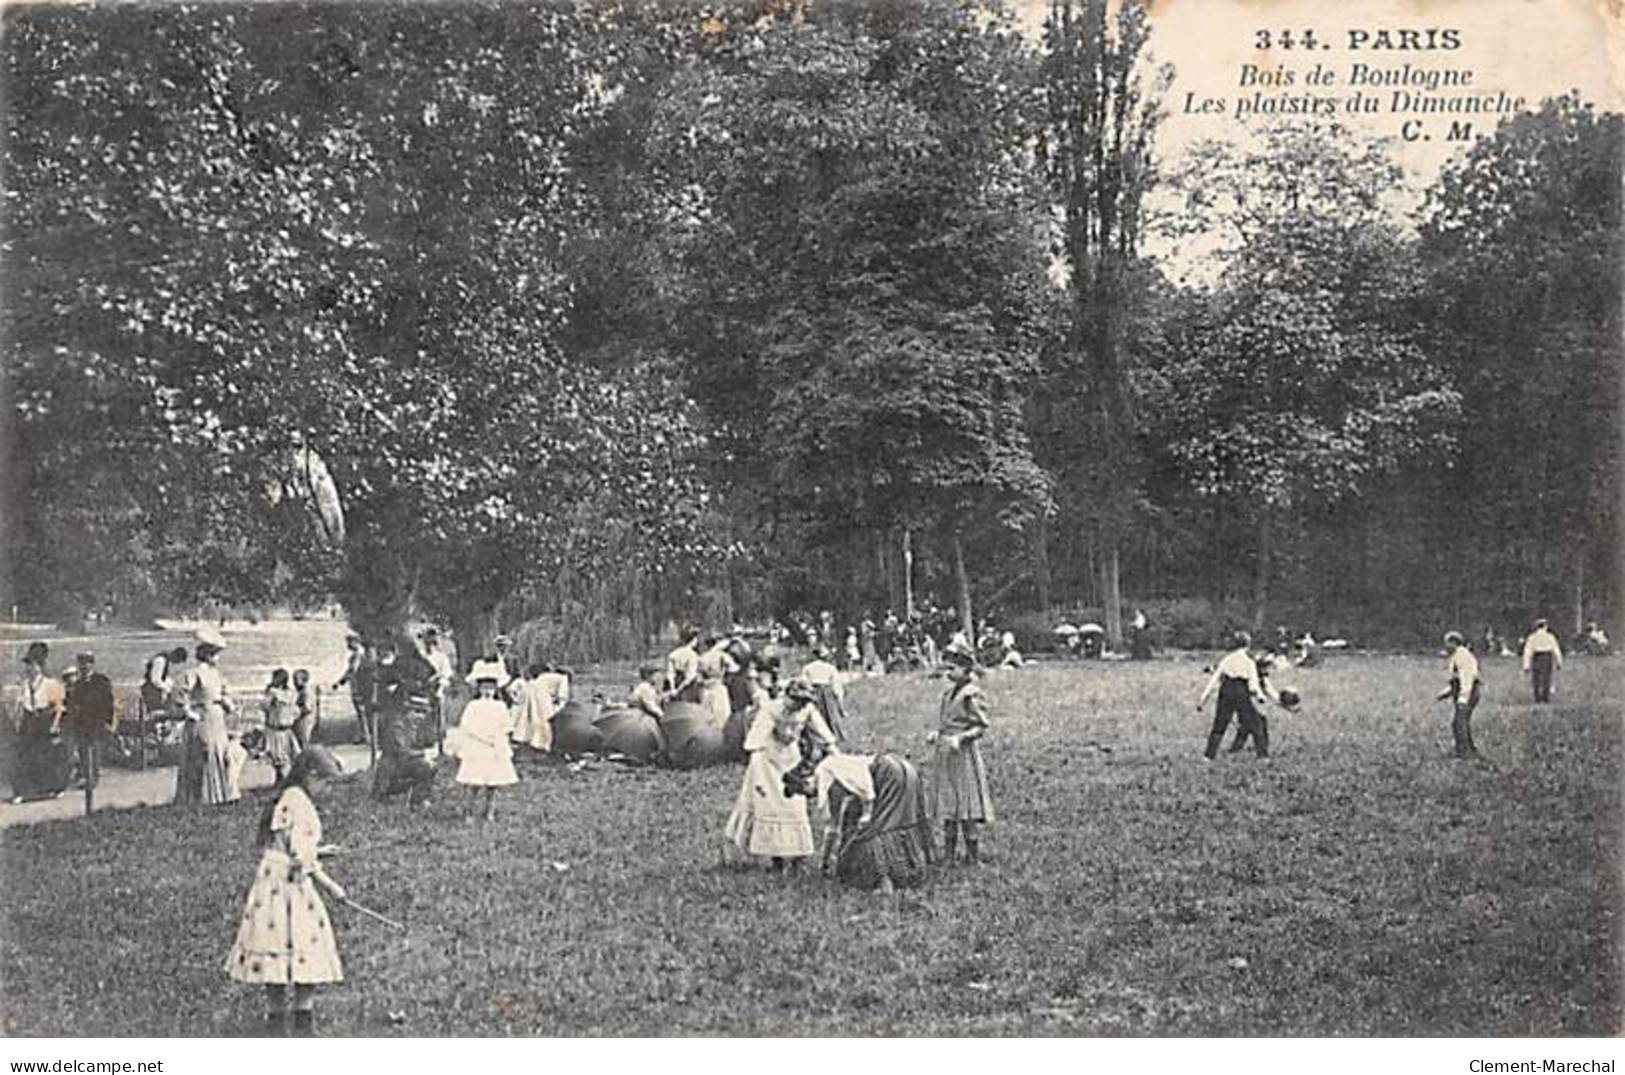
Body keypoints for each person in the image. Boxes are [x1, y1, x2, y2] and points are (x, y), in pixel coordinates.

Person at [225, 746, 347, 1036]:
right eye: (326, 782)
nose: (327, 790)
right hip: (290, 884)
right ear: (311, 775)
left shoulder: (288, 796)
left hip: (271, 880)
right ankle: (303, 1015)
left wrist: (319, 850)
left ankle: (276, 1015)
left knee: (275, 941)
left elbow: (287, 844)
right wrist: (332, 887)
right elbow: (302, 858)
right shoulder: (301, 805)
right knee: (305, 940)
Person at [785, 749, 935, 892]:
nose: (810, 797)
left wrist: (868, 810)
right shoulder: (831, 775)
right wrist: (824, 862)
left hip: (888, 774)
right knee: (896, 822)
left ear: (807, 781)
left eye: (805, 792)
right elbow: (833, 825)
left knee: (876, 830)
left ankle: (885, 881)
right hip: (903, 769)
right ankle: (909, 870)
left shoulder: (826, 772)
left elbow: (863, 782)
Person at [724, 683, 823, 872]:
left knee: (795, 805)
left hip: (791, 760)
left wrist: (835, 754)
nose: (799, 706)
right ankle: (776, 858)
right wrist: (758, 775)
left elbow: (823, 735)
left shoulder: (807, 710)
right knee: (771, 804)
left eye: (803, 703)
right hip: (768, 759)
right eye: (796, 701)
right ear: (787, 697)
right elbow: (756, 741)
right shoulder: (771, 709)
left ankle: (797, 858)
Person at [931, 642, 994, 865]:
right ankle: (948, 855)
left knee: (967, 805)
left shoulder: (972, 694)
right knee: (949, 804)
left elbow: (981, 726)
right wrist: (937, 734)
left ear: (966, 670)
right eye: (947, 669)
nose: (948, 673)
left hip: (963, 754)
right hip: (947, 754)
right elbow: (946, 722)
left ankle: (973, 856)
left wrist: (961, 737)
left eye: (953, 669)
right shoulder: (948, 694)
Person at [176, 630, 237, 805]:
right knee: (204, 752)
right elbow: (181, 694)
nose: (217, 659)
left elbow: (222, 692)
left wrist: (229, 705)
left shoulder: (216, 674)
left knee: (220, 751)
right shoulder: (193, 673)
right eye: (215, 655)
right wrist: (189, 712)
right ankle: (199, 797)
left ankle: (219, 795)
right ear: (207, 654)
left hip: (216, 716)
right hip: (202, 716)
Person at [1196, 631, 1270, 761]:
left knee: (1220, 723)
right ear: (1248, 645)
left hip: (1226, 690)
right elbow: (1253, 684)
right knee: (1255, 723)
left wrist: (1203, 700)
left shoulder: (1226, 660)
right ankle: (1263, 756)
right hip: (1241, 690)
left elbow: (1214, 681)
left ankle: (1208, 756)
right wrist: (1260, 696)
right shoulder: (1249, 662)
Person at [454, 675, 518, 821]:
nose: (488, 691)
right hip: (477, 745)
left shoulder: (500, 706)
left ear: (496, 689)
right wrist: (481, 736)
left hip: (494, 746)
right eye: (484, 688)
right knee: (474, 781)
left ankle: (489, 810)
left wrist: (498, 737)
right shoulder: (473, 705)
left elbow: (506, 725)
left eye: (491, 688)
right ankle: (468, 811)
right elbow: (466, 725)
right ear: (479, 689)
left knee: (493, 782)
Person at [10, 642, 66, 802]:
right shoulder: (24, 685)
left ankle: (51, 788)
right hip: (28, 722)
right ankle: (23, 791)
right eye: (27, 665)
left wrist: (54, 725)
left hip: (44, 721)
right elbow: (21, 705)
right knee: (24, 755)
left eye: (32, 665)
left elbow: (58, 708)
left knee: (45, 756)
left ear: (40, 666)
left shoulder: (50, 684)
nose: (29, 669)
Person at [63, 651, 115, 795]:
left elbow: (108, 702)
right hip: (82, 723)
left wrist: (108, 720)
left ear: (92, 664)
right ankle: (87, 776)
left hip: (97, 721)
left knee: (95, 750)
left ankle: (94, 778)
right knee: (84, 751)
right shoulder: (78, 684)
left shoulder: (101, 681)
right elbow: (74, 703)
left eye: (87, 663)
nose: (84, 667)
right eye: (81, 664)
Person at [1439, 631, 1482, 760]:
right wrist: (1447, 693)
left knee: (1459, 722)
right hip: (1463, 691)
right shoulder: (1457, 655)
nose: (1445, 646)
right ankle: (1467, 748)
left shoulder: (1462, 656)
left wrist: (1463, 698)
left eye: (1447, 643)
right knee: (1461, 722)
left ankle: (1464, 752)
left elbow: (1466, 678)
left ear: (1454, 642)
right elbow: (1455, 679)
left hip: (1468, 692)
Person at [332, 636, 375, 745]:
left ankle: (366, 735)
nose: (348, 645)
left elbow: (352, 671)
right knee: (364, 712)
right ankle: (366, 734)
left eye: (350, 642)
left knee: (363, 712)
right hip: (360, 686)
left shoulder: (358, 656)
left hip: (359, 687)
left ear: (356, 643)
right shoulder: (362, 656)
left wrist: (340, 682)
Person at [260, 669, 301, 782]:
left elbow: (264, 706)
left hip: (276, 729)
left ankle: (282, 781)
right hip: (285, 728)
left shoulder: (273, 693)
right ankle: (281, 780)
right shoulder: (291, 694)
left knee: (279, 759)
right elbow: (296, 712)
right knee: (283, 758)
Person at [1521, 618, 1564, 703]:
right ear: (1545, 626)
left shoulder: (1532, 637)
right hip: (1547, 657)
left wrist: (1526, 665)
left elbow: (1528, 651)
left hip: (1537, 657)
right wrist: (1559, 662)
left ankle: (1537, 697)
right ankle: (1545, 697)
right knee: (1546, 678)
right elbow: (1556, 650)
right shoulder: (1550, 637)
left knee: (1536, 678)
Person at [141, 646, 188, 720]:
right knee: (156, 712)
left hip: (157, 689)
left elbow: (166, 677)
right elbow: (155, 679)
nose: (176, 663)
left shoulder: (167, 661)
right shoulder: (160, 661)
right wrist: (167, 689)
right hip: (151, 689)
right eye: (178, 661)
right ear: (176, 656)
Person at [695, 636, 735, 721]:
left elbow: (698, 676)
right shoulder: (722, 655)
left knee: (706, 715)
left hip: (706, 688)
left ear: (706, 646)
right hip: (718, 686)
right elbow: (733, 668)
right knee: (723, 715)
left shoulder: (702, 657)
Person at [664, 626, 703, 705]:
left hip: (675, 682)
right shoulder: (693, 655)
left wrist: (672, 688)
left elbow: (670, 673)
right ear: (693, 640)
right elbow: (690, 676)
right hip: (688, 688)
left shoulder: (673, 653)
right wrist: (678, 690)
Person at [291, 669, 316, 749]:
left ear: (304, 680)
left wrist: (295, 715)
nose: (294, 682)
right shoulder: (301, 691)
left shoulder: (306, 692)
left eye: (296, 680)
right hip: (303, 720)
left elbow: (307, 708)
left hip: (304, 721)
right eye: (293, 679)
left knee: (302, 742)